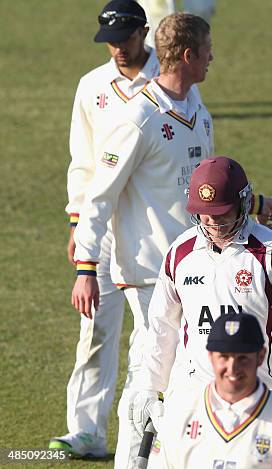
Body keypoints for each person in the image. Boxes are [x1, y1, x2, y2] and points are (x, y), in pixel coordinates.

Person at [70, 12, 217, 467]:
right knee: (148, 376)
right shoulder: (138, 119)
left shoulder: (198, 110)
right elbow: (99, 195)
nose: (213, 58)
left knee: (183, 375)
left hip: (193, 270)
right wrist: (87, 268)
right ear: (189, 56)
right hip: (151, 274)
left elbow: (199, 190)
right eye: (208, 50)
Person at [130, 157, 272, 459]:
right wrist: (150, 388)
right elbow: (161, 327)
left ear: (243, 203)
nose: (213, 223)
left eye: (221, 214)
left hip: (263, 396)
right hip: (195, 396)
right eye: (205, 215)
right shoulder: (179, 254)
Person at [49, 0, 159, 458]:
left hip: (152, 233)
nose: (117, 49)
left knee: (155, 336)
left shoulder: (170, 84)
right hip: (102, 230)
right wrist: (79, 221)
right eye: (110, 42)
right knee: (94, 330)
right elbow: (84, 162)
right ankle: (88, 431)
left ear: (144, 32)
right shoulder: (92, 86)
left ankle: (155, 437)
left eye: (125, 39)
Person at [147, 313, 272, 469]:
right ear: (211, 356)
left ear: (261, 356)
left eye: (242, 358)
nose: (232, 368)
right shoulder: (181, 415)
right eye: (224, 357)